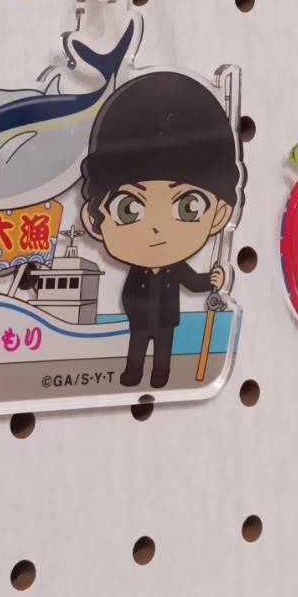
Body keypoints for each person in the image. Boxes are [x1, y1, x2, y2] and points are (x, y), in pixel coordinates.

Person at [79, 71, 243, 389]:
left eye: (187, 207)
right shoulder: (138, 267)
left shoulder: (175, 266)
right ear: (93, 219)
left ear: (220, 214)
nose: (156, 228)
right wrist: (132, 309)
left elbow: (193, 282)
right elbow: (128, 293)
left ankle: (161, 376)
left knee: (164, 350)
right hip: (140, 319)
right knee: (138, 346)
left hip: (167, 318)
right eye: (129, 209)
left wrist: (212, 281)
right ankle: (133, 373)